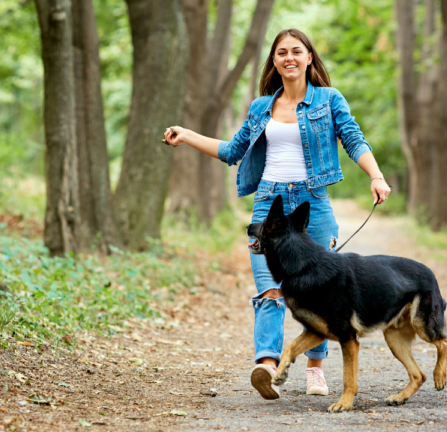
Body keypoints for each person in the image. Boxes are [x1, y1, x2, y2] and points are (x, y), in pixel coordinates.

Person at [163, 28, 391, 400]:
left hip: (312, 205)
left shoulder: (329, 100)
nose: (289, 57)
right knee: (270, 290)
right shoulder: (260, 107)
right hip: (268, 205)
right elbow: (231, 152)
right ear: (274, 61)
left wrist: (376, 175)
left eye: (296, 51)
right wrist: (187, 135)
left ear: (309, 58)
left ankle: (315, 371)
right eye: (281, 52)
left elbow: (353, 138)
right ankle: (267, 366)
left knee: (323, 293)